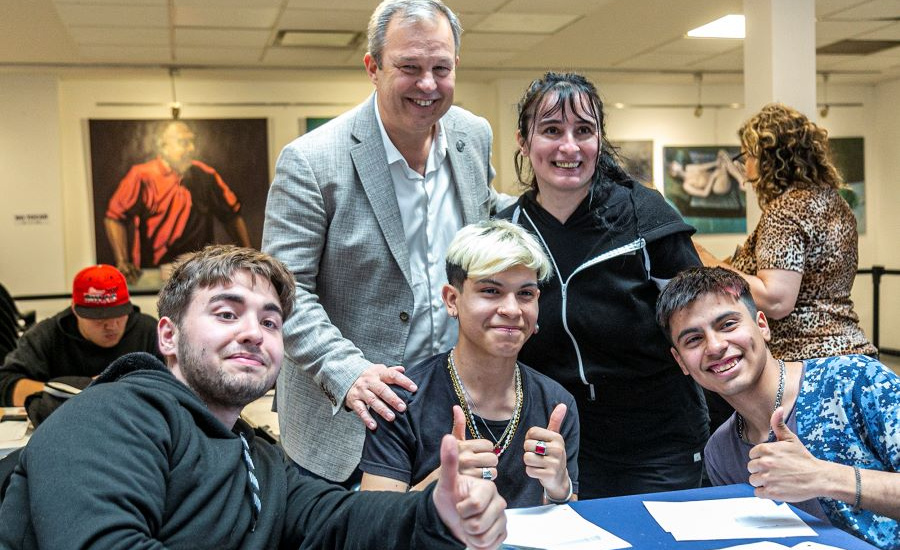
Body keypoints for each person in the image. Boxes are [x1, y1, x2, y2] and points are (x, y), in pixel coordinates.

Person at [0, 245, 507, 549]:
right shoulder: (110, 417)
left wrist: (437, 513)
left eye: (269, 321)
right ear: (169, 337)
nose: (253, 333)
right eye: (226, 313)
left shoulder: (258, 456)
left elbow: (335, 519)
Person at [263, 0, 500, 486]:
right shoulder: (311, 161)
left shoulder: (472, 136)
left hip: (448, 412)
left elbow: (490, 220)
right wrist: (349, 373)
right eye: (409, 68)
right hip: (347, 421)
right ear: (373, 68)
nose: (428, 84)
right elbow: (285, 293)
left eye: (441, 68)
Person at [498, 71, 708, 499]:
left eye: (584, 131)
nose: (569, 147)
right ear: (523, 141)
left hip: (657, 442)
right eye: (552, 130)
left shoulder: (644, 217)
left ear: (599, 140)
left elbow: (703, 322)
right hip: (554, 441)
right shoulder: (508, 234)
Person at [656, 266, 900, 549]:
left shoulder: (852, 381)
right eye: (694, 340)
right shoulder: (720, 452)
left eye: (728, 325)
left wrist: (824, 477)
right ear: (681, 361)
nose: (715, 346)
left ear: (762, 325)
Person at [360, 220, 579, 507]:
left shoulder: (557, 404)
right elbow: (371, 528)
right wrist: (439, 482)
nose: (512, 310)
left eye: (525, 294)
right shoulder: (401, 402)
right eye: (491, 291)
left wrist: (560, 488)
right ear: (452, 300)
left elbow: (567, 524)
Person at [694, 103, 876, 360]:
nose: (745, 171)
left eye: (746, 157)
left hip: (807, 359)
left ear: (767, 159)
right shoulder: (836, 202)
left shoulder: (786, 210)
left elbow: (776, 300)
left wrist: (707, 262)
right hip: (849, 350)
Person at [105, 120, 252, 283]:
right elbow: (115, 217)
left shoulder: (206, 175)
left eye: (192, 142)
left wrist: (249, 257)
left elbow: (231, 216)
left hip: (200, 274)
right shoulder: (142, 175)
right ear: (163, 146)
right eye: (183, 143)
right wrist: (122, 262)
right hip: (156, 274)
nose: (191, 149)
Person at [0, 264, 160, 407]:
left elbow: (177, 384)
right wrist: (75, 390)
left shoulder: (149, 331)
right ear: (75, 310)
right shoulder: (47, 335)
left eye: (118, 314)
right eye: (99, 317)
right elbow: (4, 384)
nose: (112, 326)